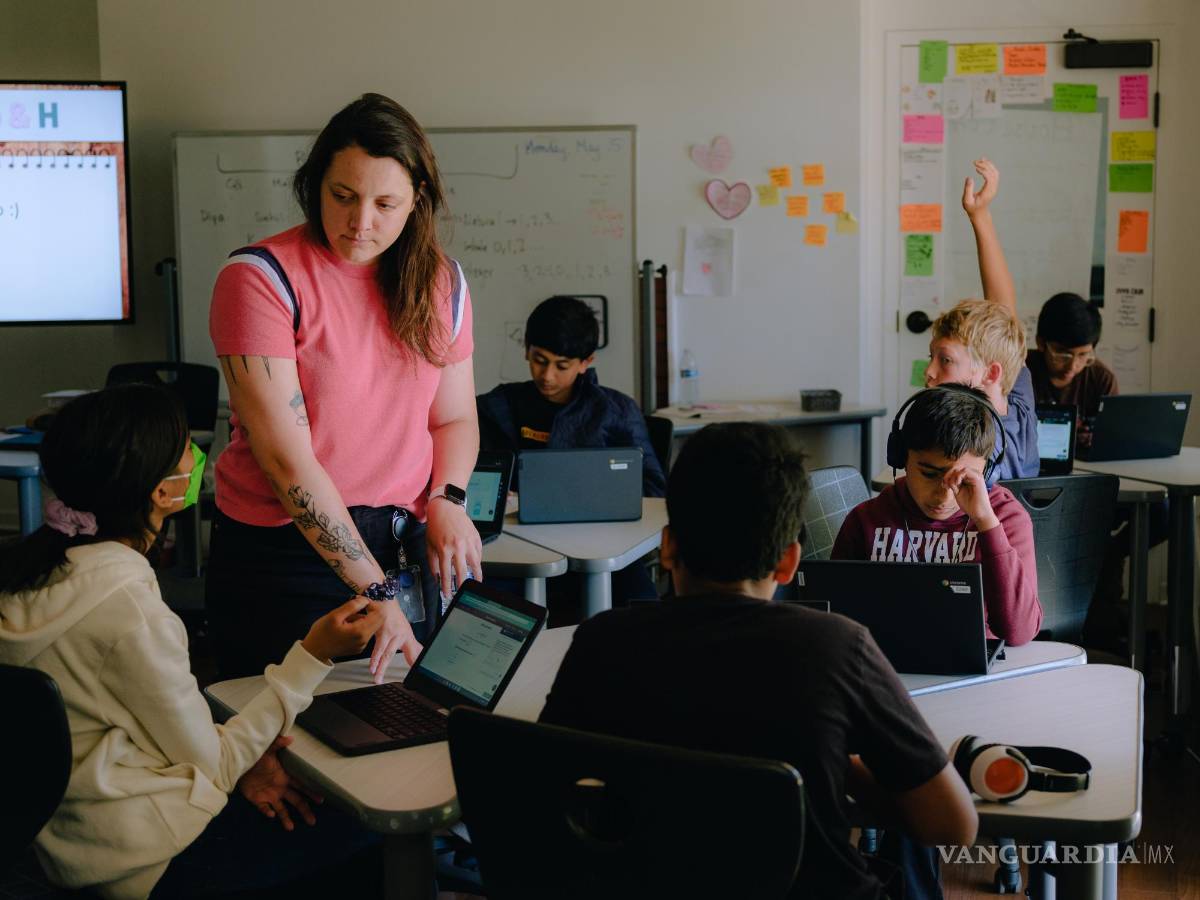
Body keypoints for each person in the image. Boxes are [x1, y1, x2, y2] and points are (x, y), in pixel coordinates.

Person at [540, 422, 978, 899]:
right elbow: (954, 825)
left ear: (667, 547)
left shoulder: (600, 643)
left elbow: (540, 791)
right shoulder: (837, 648)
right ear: (789, 562)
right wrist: (845, 766)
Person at [0, 384, 385, 899]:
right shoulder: (128, 609)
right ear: (161, 492)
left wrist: (235, 760)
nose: (201, 456)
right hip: (143, 856)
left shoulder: (26, 575)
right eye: (187, 448)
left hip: (67, 837)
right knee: (367, 819)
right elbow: (216, 762)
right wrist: (313, 655)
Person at [207, 93, 480, 681]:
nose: (361, 222)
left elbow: (453, 418)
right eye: (343, 196)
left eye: (386, 204)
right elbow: (286, 461)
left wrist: (448, 499)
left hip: (403, 544)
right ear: (314, 186)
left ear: (417, 203)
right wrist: (374, 589)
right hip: (286, 550)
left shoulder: (442, 282)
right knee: (278, 746)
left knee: (401, 732)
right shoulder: (260, 278)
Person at [833, 385, 1042, 647]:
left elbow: (1018, 632)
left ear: (987, 472)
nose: (945, 495)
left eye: (964, 481)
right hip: (886, 665)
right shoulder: (866, 520)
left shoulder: (1006, 519)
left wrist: (987, 523)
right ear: (899, 457)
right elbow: (836, 623)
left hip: (975, 676)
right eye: (930, 474)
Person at [476, 294, 666, 497]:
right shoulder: (498, 406)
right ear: (527, 349)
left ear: (586, 362)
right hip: (514, 524)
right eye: (539, 360)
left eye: (562, 366)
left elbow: (654, 490)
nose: (547, 376)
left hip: (595, 523)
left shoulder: (617, 411)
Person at [924, 159, 1038, 481]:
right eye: (932, 357)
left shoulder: (961, 441)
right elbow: (1004, 313)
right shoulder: (1017, 405)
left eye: (945, 360)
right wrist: (980, 216)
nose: (929, 373)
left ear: (990, 372)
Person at [1026, 292, 1117, 451]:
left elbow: (1111, 438)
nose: (1073, 366)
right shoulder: (1019, 372)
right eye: (1063, 355)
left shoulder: (1101, 379)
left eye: (1083, 355)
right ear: (1041, 343)